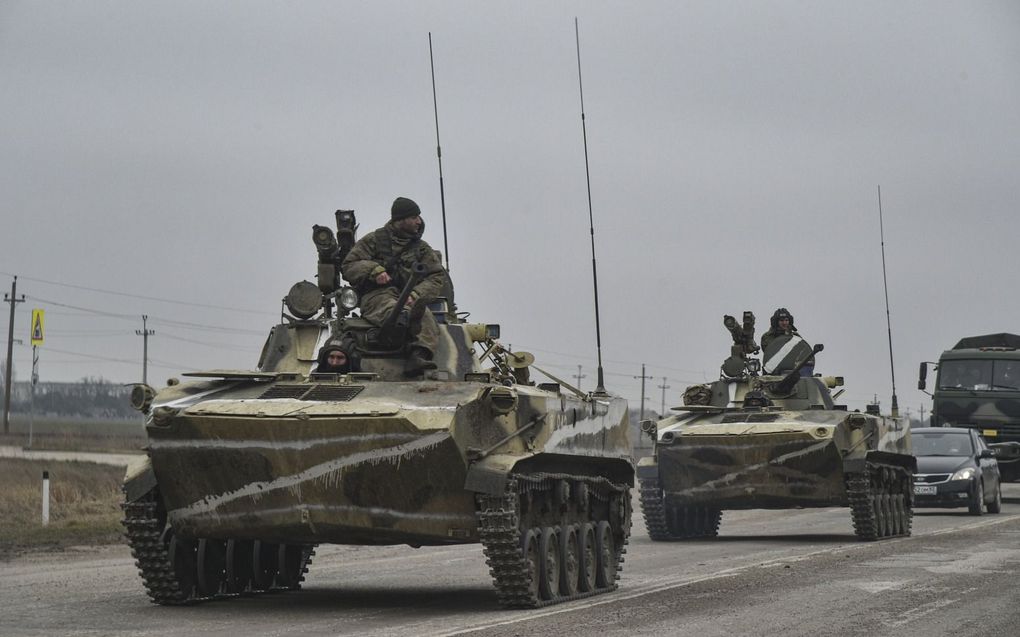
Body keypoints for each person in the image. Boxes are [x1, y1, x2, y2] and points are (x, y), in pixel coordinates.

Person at [341, 197, 447, 376]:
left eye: (419, 217)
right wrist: (373, 270)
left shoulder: (421, 249)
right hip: (376, 297)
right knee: (396, 313)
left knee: (425, 317)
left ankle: (418, 356)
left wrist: (417, 293)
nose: (418, 221)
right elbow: (349, 265)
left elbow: (436, 275)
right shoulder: (374, 240)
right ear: (400, 219)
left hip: (409, 296)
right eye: (414, 217)